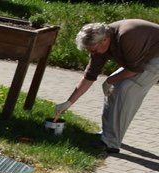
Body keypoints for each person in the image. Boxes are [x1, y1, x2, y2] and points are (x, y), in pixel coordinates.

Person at [54, 20, 159, 154]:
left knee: (126, 89)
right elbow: (89, 76)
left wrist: (109, 80)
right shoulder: (99, 45)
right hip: (143, 56)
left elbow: (134, 69)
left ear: (105, 40)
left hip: (156, 57)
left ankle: (111, 142)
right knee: (113, 88)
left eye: (93, 49)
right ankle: (106, 135)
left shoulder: (127, 37)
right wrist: (68, 103)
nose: (93, 52)